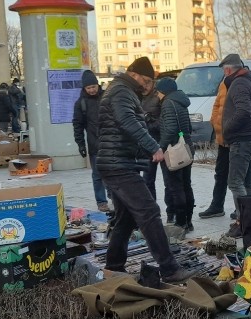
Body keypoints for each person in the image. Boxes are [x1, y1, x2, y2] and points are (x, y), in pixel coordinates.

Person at [95, 57, 194, 283]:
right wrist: (153, 147)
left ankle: (114, 265)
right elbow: (127, 122)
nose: (148, 87)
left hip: (118, 162)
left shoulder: (121, 90)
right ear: (135, 74)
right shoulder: (121, 91)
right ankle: (169, 269)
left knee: (127, 218)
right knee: (149, 211)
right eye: (147, 81)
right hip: (117, 165)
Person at [219, 54, 251, 238]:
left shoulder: (239, 84)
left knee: (235, 182)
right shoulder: (247, 81)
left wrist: (226, 128)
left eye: (223, 71)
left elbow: (243, 111)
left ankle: (243, 222)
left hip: (242, 140)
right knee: (248, 181)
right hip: (249, 138)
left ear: (228, 70)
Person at [155, 78, 195, 233]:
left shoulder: (167, 103)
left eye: (158, 91)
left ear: (164, 91)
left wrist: (161, 146)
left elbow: (171, 129)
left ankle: (180, 223)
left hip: (174, 150)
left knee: (176, 187)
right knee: (186, 185)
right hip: (187, 147)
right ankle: (189, 221)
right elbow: (189, 127)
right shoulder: (181, 102)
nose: (157, 95)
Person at [72, 70, 110, 212]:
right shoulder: (80, 104)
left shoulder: (107, 98)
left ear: (97, 85)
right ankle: (101, 201)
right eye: (88, 88)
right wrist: (80, 144)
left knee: (114, 171)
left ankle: (115, 195)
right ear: (84, 88)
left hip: (111, 142)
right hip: (94, 144)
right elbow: (77, 125)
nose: (92, 90)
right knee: (97, 174)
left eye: (93, 87)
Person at [198, 76, 231, 219]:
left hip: (238, 140)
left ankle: (243, 209)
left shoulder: (247, 83)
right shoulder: (223, 83)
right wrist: (214, 122)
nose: (225, 72)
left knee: (240, 178)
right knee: (220, 173)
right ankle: (217, 206)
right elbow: (217, 105)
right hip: (223, 138)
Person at [140, 79, 163, 208]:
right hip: (145, 145)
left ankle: (172, 214)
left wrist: (149, 120)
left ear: (153, 83)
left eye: (147, 83)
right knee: (147, 181)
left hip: (161, 143)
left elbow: (165, 120)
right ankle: (152, 209)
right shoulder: (136, 96)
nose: (144, 86)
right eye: (143, 83)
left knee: (169, 182)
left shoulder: (159, 97)